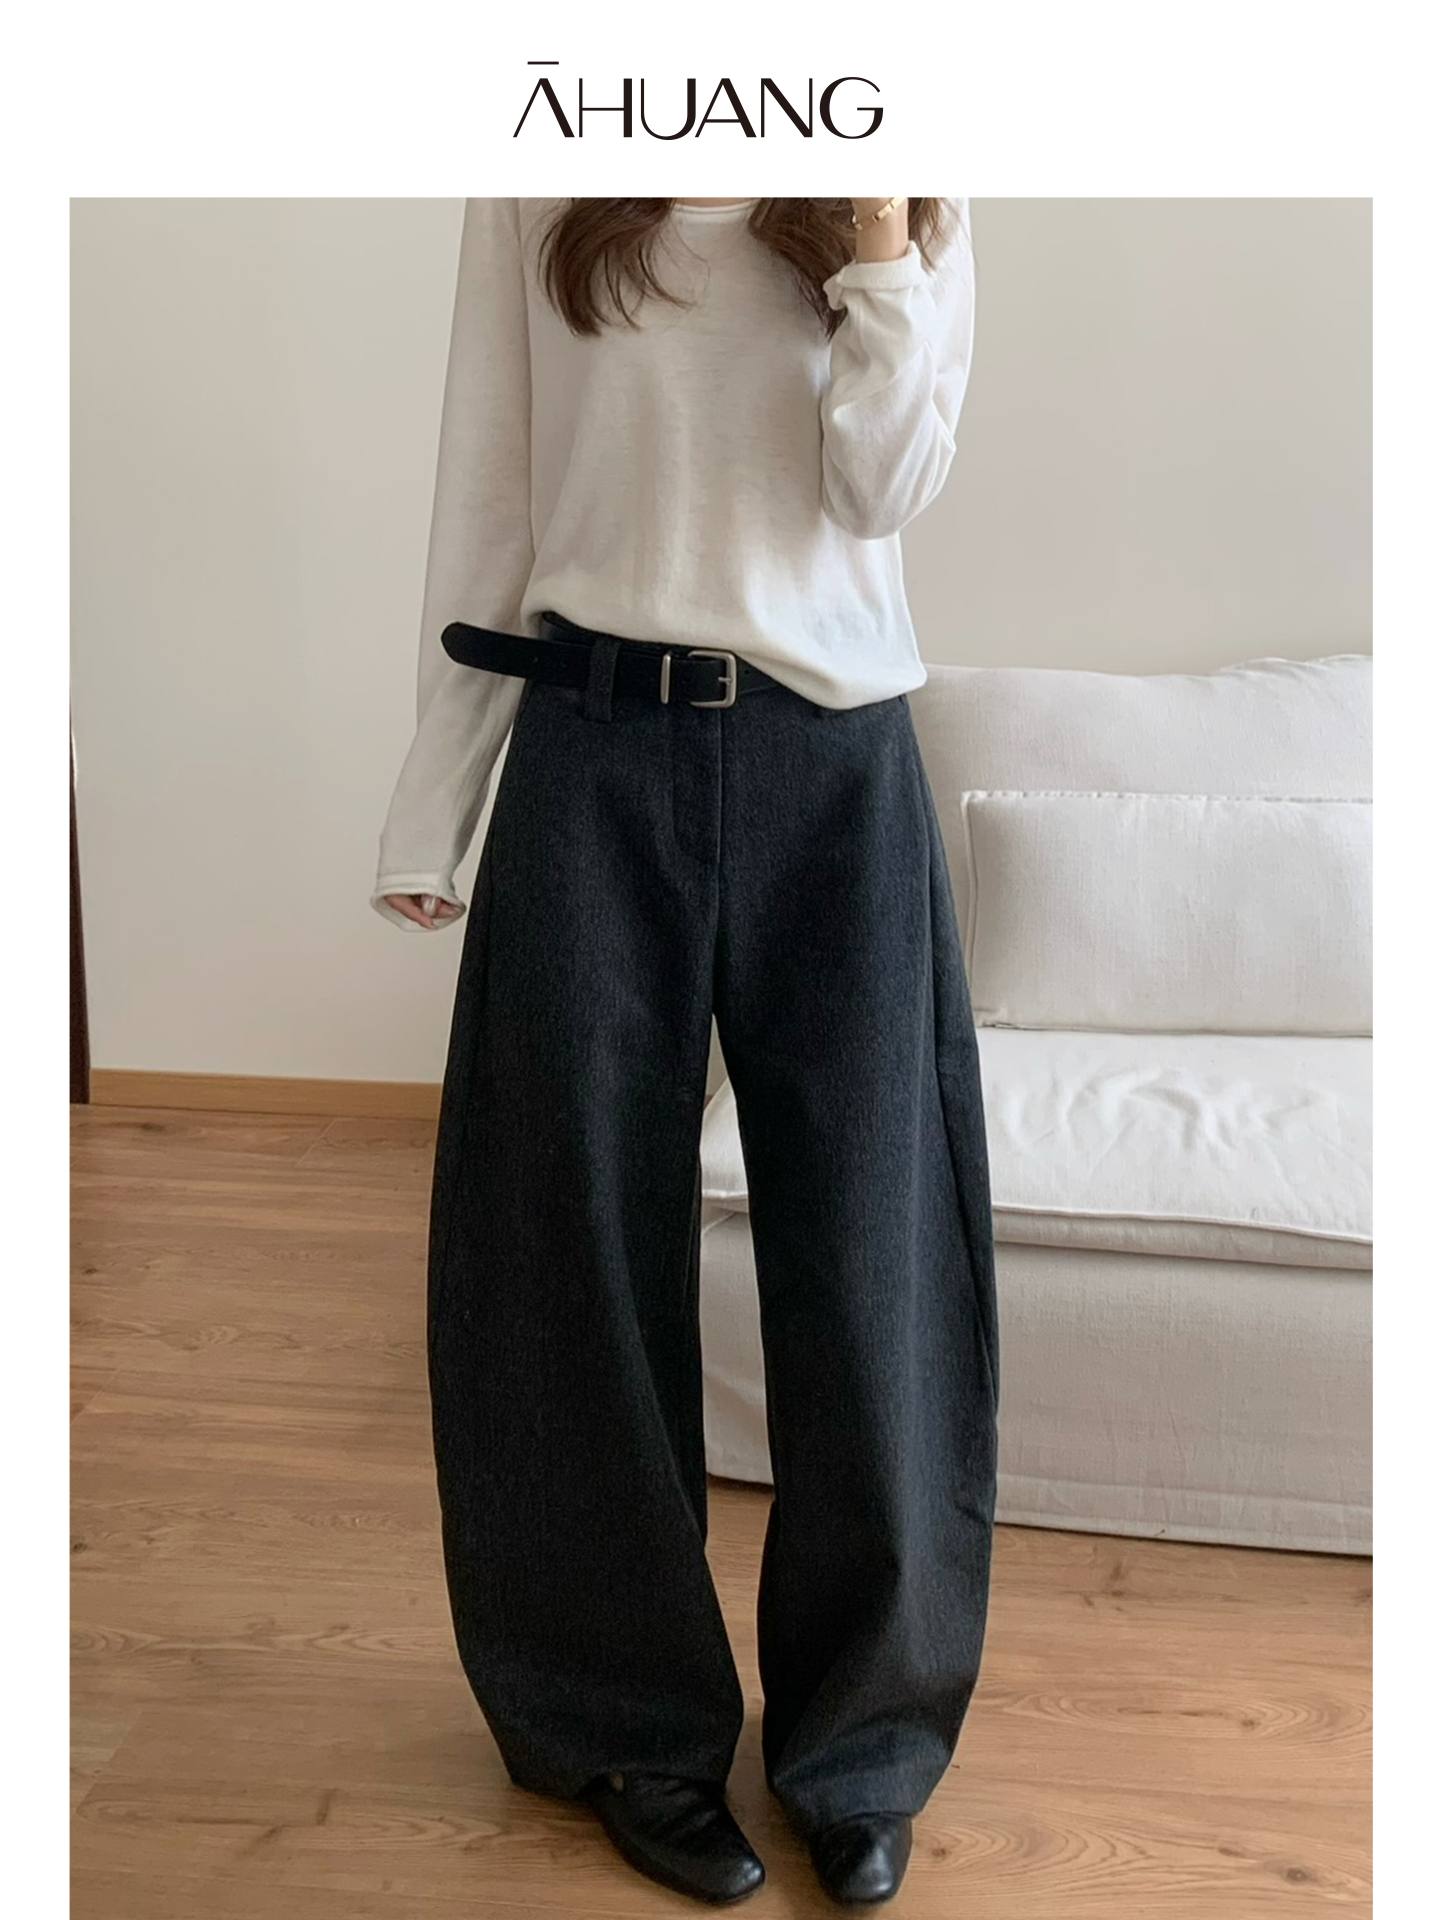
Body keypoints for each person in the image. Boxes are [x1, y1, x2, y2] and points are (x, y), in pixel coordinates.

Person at [371, 195, 999, 1908]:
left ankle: (862, 1747)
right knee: (562, 1254)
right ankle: (622, 1726)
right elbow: (490, 487)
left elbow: (886, 486)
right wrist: (436, 797)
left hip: (837, 768)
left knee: (875, 1258)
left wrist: (881, 249)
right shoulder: (544, 169)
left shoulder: (906, 171)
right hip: (590, 752)